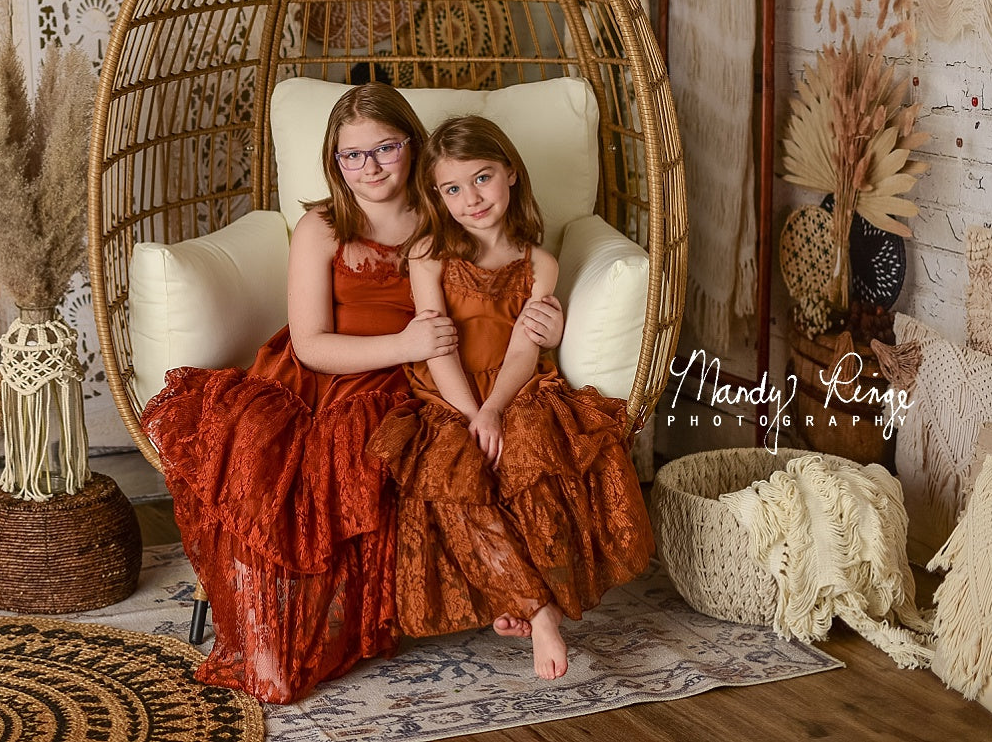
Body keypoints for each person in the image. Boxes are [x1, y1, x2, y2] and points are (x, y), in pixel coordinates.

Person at [141, 83, 564, 704]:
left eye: (385, 149)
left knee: (425, 459)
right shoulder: (324, 226)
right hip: (330, 376)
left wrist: (546, 321)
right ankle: (276, 626)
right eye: (352, 156)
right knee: (285, 467)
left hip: (415, 382)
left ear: (412, 146)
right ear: (334, 163)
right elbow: (312, 343)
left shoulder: (444, 211)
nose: (370, 168)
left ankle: (507, 597)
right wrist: (407, 344)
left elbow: (495, 284)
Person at [368, 114, 654, 681]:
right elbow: (437, 346)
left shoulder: (538, 264)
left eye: (482, 179)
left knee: (529, 454)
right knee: (454, 473)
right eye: (452, 189)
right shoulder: (429, 254)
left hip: (515, 389)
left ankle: (516, 599)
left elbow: (525, 349)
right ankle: (537, 609)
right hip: (447, 396)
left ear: (511, 175)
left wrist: (496, 408)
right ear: (436, 196)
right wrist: (474, 415)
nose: (471, 199)